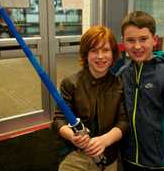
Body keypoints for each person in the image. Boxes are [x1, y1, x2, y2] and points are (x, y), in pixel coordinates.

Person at [52, 25, 128, 171]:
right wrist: (72, 137)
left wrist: (103, 141)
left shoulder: (120, 84)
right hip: (75, 156)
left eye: (105, 50)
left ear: (113, 54)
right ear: (85, 54)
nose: (100, 56)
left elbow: (124, 122)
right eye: (94, 50)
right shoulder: (70, 83)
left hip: (108, 156)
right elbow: (58, 120)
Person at [120, 11, 164, 170]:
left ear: (154, 40)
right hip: (129, 158)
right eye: (131, 40)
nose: (137, 46)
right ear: (123, 42)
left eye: (143, 39)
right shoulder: (123, 74)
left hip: (159, 162)